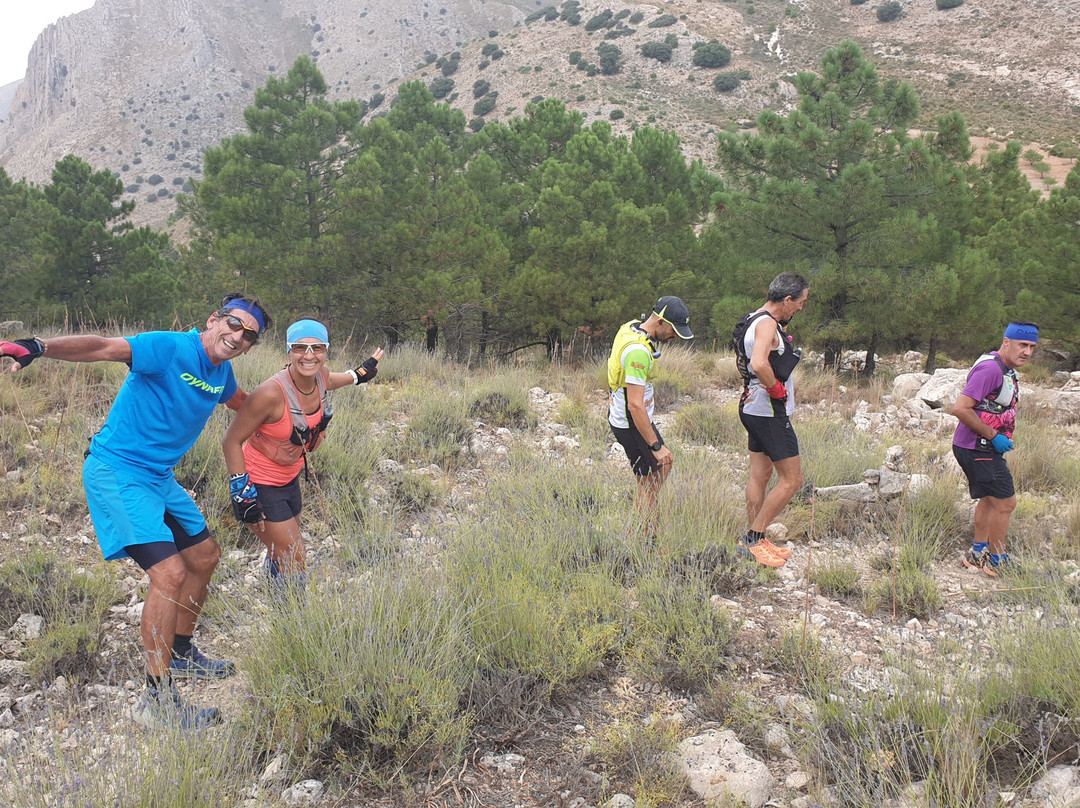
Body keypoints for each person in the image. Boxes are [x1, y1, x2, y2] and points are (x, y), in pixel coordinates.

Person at [1, 294, 270, 728]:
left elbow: (242, 401)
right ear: (213, 320)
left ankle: (181, 654)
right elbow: (103, 347)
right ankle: (156, 701)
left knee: (204, 557)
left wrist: (288, 415)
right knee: (169, 574)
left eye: (248, 335)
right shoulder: (169, 348)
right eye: (233, 324)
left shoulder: (221, 373)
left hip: (158, 479)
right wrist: (39, 345)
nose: (237, 336)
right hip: (117, 472)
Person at [222, 318, 384, 586]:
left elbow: (333, 380)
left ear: (326, 350)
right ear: (289, 350)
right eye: (300, 347)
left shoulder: (320, 376)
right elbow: (231, 441)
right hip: (260, 484)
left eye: (317, 348)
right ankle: (291, 618)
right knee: (295, 556)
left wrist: (360, 374)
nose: (309, 355)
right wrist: (241, 492)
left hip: (290, 479)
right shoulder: (270, 394)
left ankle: (275, 596)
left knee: (283, 551)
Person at [733, 272, 810, 568]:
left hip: (751, 408)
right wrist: (776, 389)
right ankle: (753, 538)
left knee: (760, 475)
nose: (801, 308)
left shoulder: (753, 318)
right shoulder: (767, 324)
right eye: (800, 302)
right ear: (787, 299)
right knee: (792, 479)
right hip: (769, 412)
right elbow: (759, 363)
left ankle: (758, 540)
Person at [951, 321, 1038, 576]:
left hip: (980, 447)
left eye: (1032, 346)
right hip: (979, 447)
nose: (1028, 352)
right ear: (1007, 341)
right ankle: (997, 561)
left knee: (990, 500)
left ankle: (978, 554)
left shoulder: (1006, 368)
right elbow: (960, 408)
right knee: (1006, 503)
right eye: (1023, 345)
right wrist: (994, 436)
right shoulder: (991, 369)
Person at [607, 296, 693, 541]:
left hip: (631, 418)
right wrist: (655, 445)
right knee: (657, 470)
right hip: (632, 422)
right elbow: (634, 405)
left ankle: (644, 530)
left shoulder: (633, 327)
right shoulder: (638, 352)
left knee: (650, 479)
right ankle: (644, 538)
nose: (675, 337)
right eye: (674, 331)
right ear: (661, 321)